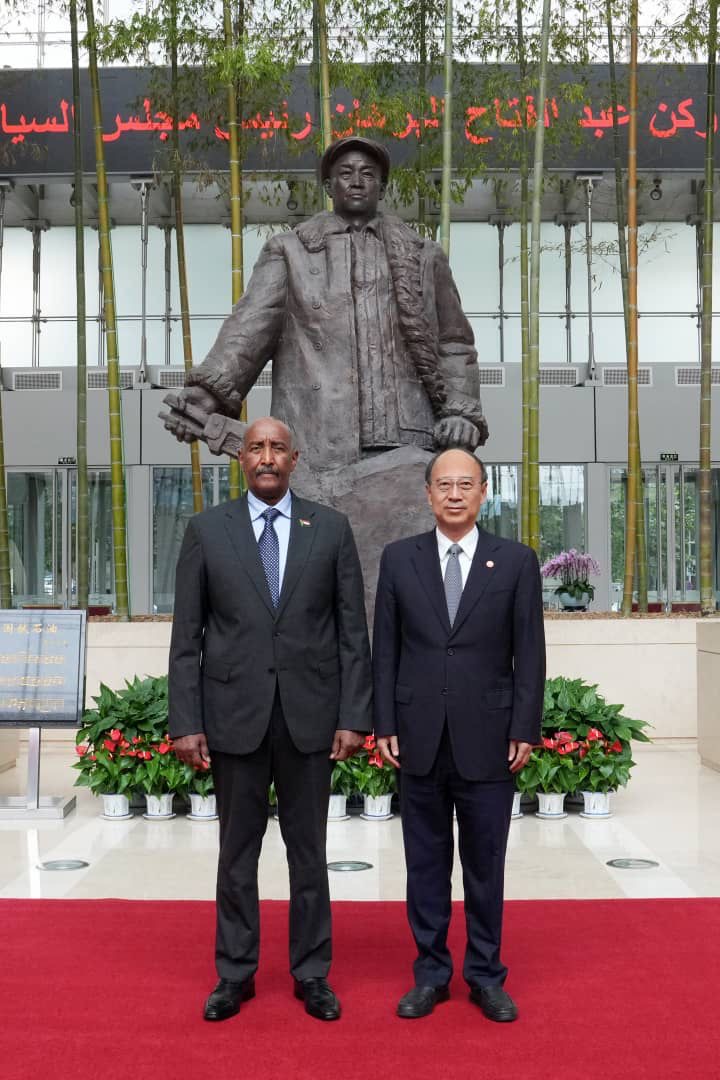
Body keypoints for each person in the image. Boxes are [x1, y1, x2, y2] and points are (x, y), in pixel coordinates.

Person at [168, 416, 372, 1023]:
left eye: (277, 448)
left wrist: (353, 715)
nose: (266, 457)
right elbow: (187, 637)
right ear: (242, 458)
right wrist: (186, 721)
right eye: (256, 447)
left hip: (311, 719)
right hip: (235, 718)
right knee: (237, 854)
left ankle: (312, 973)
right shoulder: (207, 531)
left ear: (294, 459)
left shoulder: (330, 529)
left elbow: (352, 633)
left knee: (310, 854)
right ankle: (235, 973)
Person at [164, 135, 488, 469]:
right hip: (316, 434)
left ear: (383, 188)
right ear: (329, 186)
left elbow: (454, 343)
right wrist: (208, 394)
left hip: (408, 437)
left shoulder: (423, 256)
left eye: (368, 174)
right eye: (346, 173)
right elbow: (249, 328)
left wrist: (461, 413)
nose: (357, 181)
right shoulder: (290, 252)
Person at [372, 448, 545, 1022]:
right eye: (443, 484)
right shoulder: (400, 559)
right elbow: (385, 649)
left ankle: (486, 975)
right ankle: (430, 974)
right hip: (417, 736)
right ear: (427, 493)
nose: (454, 494)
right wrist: (384, 723)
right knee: (424, 864)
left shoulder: (515, 561)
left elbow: (530, 654)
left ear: (483, 492)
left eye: (465, 484)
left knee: (485, 865)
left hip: (490, 738)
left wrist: (524, 726)